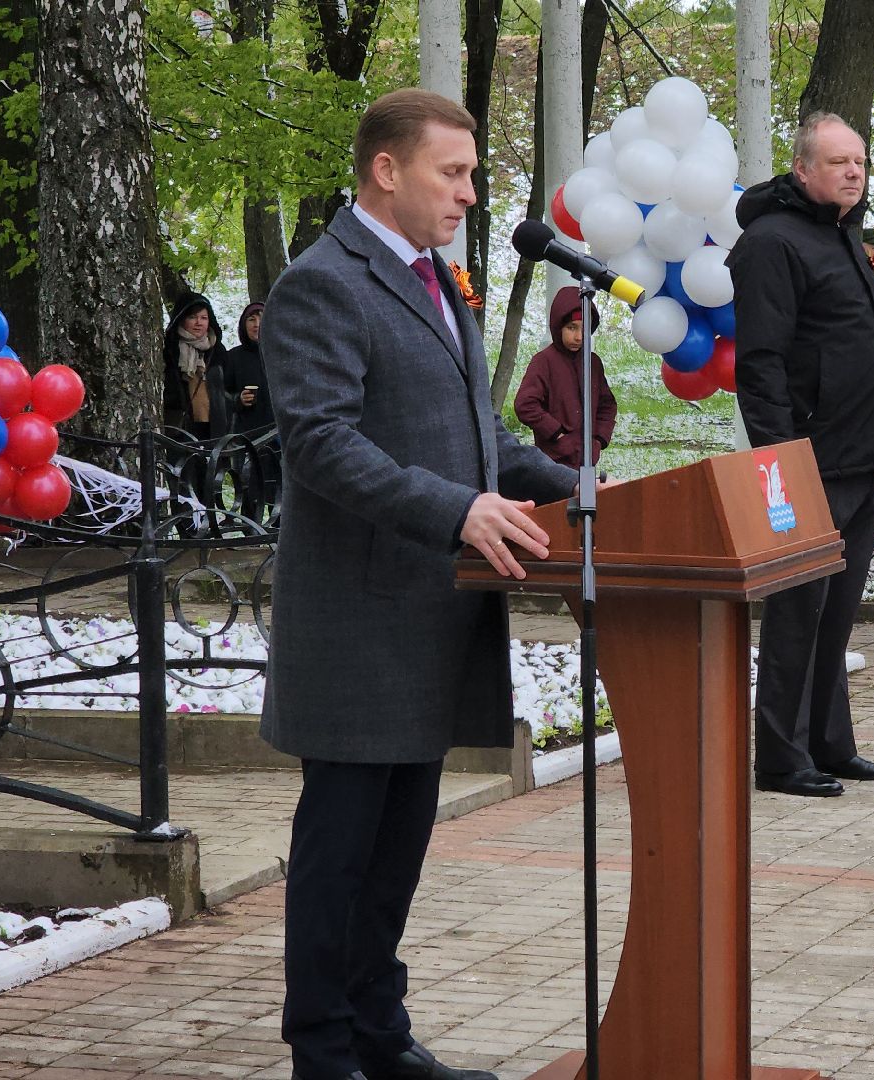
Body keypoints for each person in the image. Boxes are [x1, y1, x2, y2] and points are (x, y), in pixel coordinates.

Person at [260, 87, 578, 1080]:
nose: (469, 193)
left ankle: (379, 1039)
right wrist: (455, 511)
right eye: (453, 172)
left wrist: (580, 489)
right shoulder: (322, 283)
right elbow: (320, 443)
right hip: (358, 626)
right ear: (386, 170)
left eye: (471, 174)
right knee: (340, 857)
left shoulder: (436, 278)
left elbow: (477, 439)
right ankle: (324, 1053)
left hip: (429, 619)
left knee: (395, 856)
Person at [729, 111, 874, 799]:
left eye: (859, 161)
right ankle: (780, 758)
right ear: (802, 170)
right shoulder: (773, 243)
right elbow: (761, 365)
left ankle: (830, 744)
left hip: (861, 460)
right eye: (838, 162)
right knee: (798, 614)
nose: (853, 172)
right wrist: (781, 462)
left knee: (835, 615)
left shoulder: (842, 232)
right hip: (808, 463)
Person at [513, 285, 617, 468]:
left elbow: (607, 405)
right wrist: (556, 433)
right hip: (553, 462)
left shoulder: (592, 362)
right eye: (571, 328)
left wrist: (598, 440)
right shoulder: (544, 361)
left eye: (584, 329)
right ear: (558, 326)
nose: (579, 337)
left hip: (587, 460)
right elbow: (525, 404)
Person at [219, 300, 281, 513]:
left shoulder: (281, 354)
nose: (257, 324)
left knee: (280, 492)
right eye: (251, 319)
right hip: (248, 435)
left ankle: (278, 531)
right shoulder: (233, 357)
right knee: (249, 491)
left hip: (280, 433)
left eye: (262, 318)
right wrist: (238, 399)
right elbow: (220, 395)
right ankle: (250, 529)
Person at [161, 292, 229, 439]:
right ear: (182, 319)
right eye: (192, 317)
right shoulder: (169, 349)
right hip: (179, 428)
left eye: (204, 318)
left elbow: (229, 388)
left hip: (214, 428)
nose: (199, 322)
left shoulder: (218, 350)